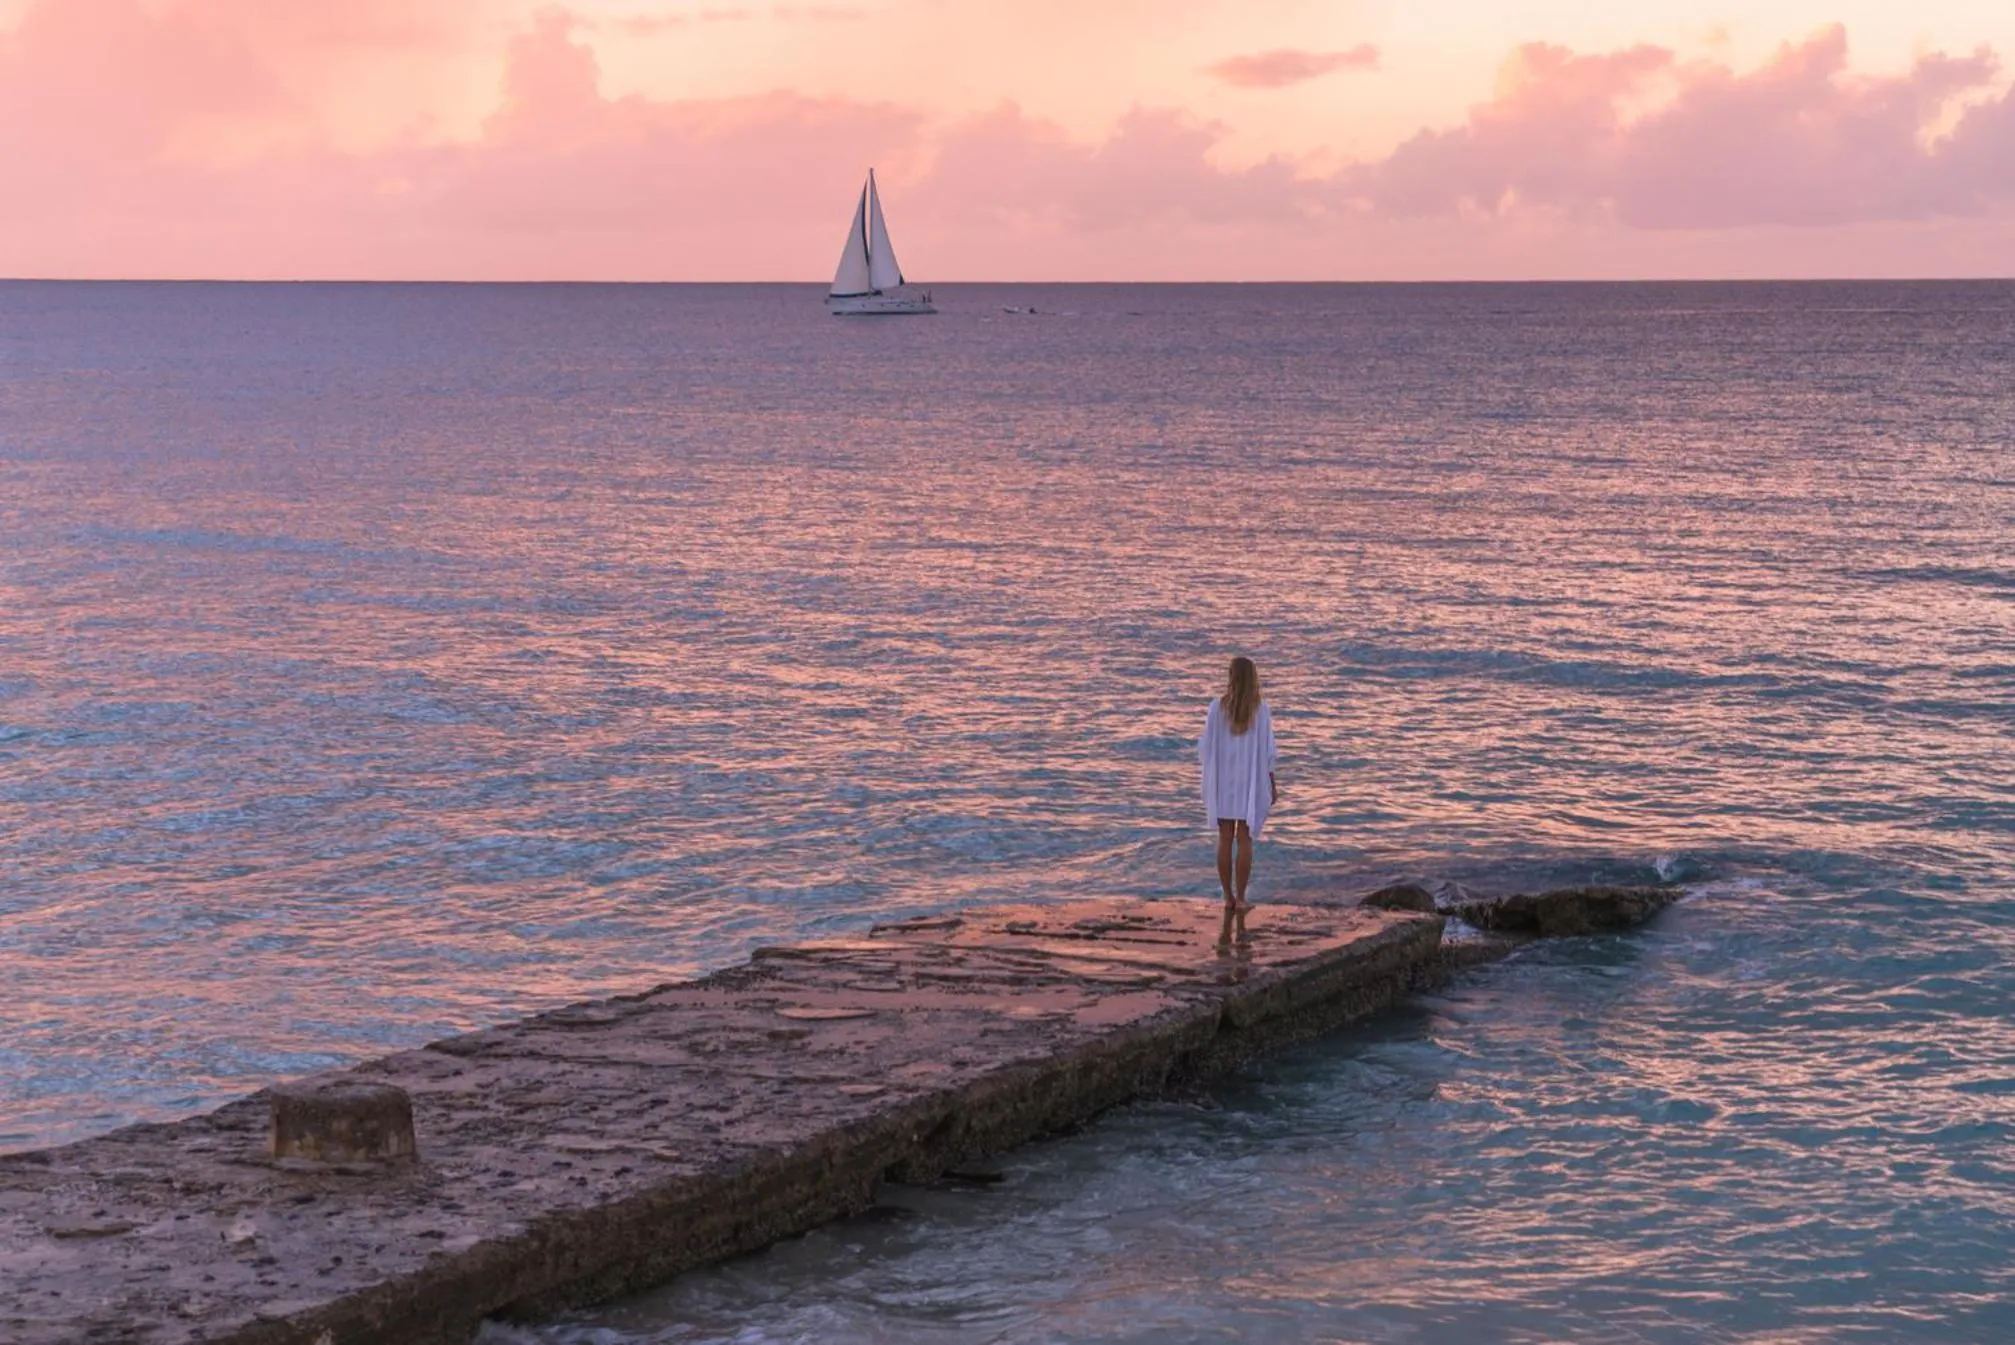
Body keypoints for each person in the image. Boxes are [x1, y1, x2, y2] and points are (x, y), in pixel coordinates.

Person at [1198, 655, 1279, 952]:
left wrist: (1210, 780)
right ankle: (1242, 897)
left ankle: (1227, 897)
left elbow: (1205, 748)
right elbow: (1270, 752)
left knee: (1224, 838)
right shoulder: (1261, 710)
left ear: (1231, 676)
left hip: (1224, 781)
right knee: (1244, 838)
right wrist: (1271, 783)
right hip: (1248, 782)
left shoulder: (1217, 708)